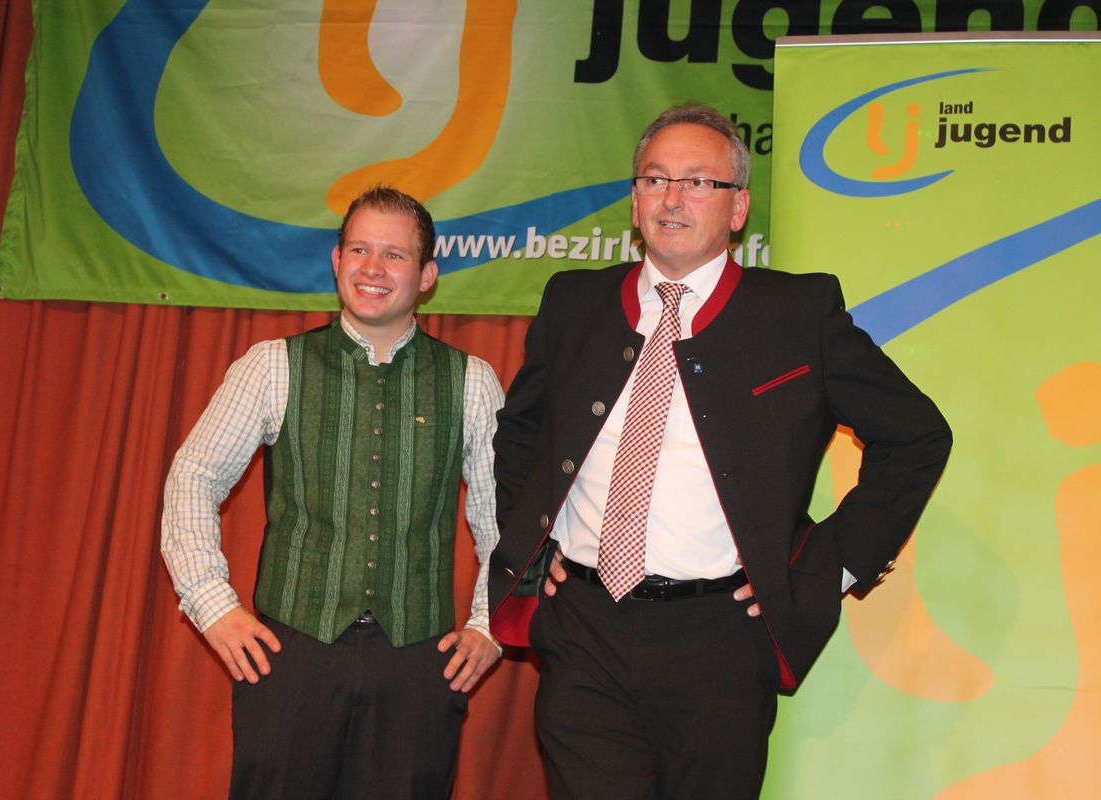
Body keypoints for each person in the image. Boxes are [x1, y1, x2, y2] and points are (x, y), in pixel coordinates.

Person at [488, 104, 952, 798]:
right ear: (635, 199)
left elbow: (916, 435)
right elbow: (521, 432)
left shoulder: (797, 314)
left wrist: (825, 570)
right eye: (655, 179)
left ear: (738, 209)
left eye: (699, 182)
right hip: (581, 626)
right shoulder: (574, 300)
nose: (673, 198)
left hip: (720, 641)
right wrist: (536, 545)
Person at [162, 186, 504, 799]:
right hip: (290, 654)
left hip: (418, 665)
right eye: (359, 250)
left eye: (395, 255)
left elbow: (503, 521)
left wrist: (488, 624)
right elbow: (193, 476)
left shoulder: (471, 382)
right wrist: (213, 606)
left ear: (427, 275)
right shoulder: (272, 366)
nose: (373, 268)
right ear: (336, 260)